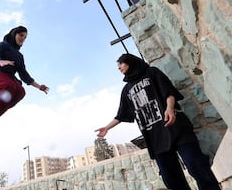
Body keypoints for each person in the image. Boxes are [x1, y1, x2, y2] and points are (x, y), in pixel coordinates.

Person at [95, 53, 221, 190]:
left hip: (176, 127)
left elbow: (169, 92)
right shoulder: (126, 90)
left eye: (121, 63)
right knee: (171, 178)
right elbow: (121, 114)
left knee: (196, 165)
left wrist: (170, 108)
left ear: (130, 61)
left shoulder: (152, 72)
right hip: (156, 137)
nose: (118, 67)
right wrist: (107, 128)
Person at [0, 26, 49, 132]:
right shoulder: (3, 45)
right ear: (14, 34)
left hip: (8, 78)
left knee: (20, 92)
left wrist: (39, 86)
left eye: (25, 37)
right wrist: (1, 62)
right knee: (10, 86)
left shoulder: (19, 56)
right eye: (21, 35)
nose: (23, 39)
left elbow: (24, 75)